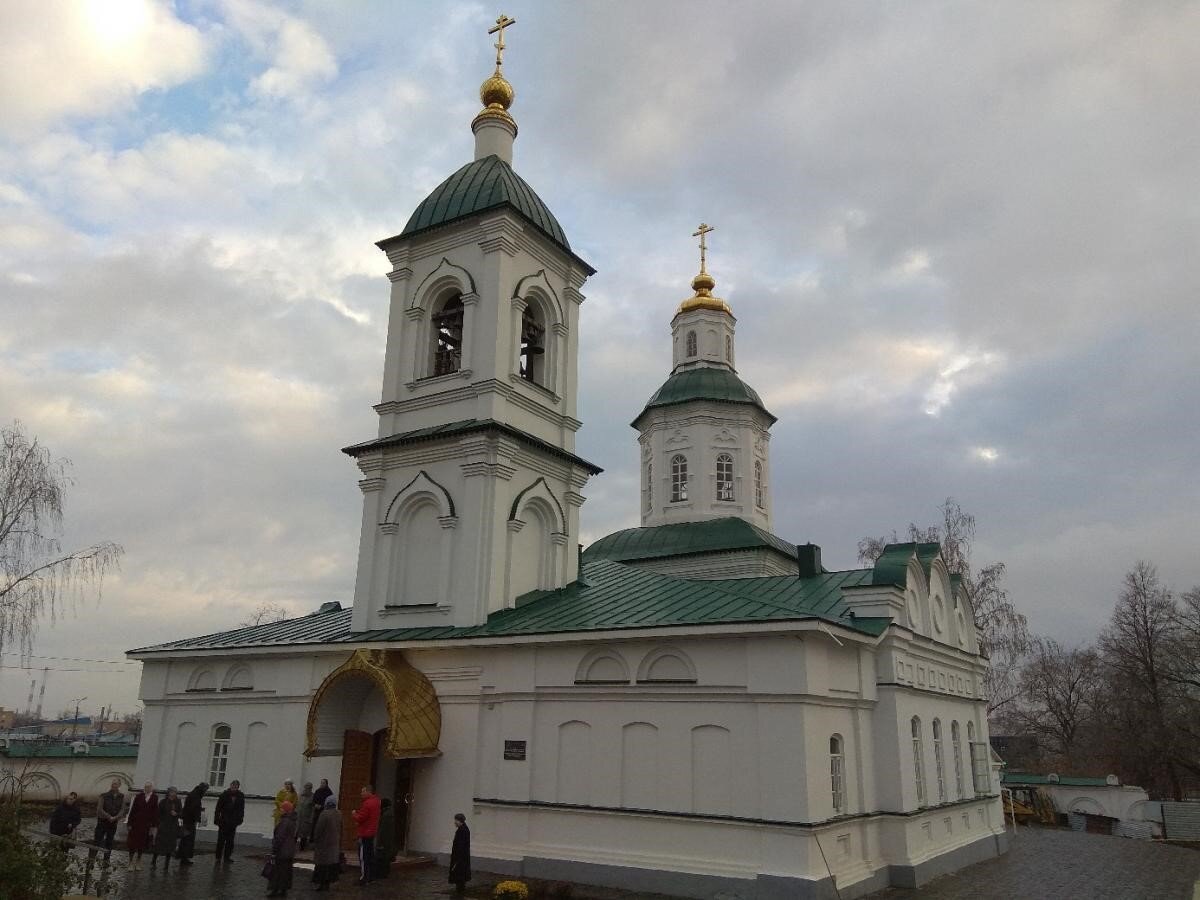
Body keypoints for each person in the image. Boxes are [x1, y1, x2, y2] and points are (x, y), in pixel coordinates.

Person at [266, 800, 298, 897]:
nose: (280, 810)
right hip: (289, 851)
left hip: (282, 851)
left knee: (278, 871)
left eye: (282, 808)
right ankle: (283, 890)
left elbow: (279, 838)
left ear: (286, 810)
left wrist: (274, 850)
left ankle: (275, 890)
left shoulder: (284, 822)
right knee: (286, 871)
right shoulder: (292, 821)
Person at [352, 784, 381, 886]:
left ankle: (364, 878)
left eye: (363, 791)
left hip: (365, 833)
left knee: (363, 856)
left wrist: (354, 814)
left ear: (368, 792)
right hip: (371, 831)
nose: (361, 794)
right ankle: (371, 877)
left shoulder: (367, 803)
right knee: (370, 855)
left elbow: (361, 817)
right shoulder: (377, 802)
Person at [311, 796, 342, 892]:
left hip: (324, 844)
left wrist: (315, 839)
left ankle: (321, 883)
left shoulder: (324, 814)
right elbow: (341, 828)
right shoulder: (339, 814)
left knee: (322, 865)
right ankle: (328, 883)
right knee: (331, 865)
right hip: (334, 843)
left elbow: (319, 829)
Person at [126, 782, 159, 870]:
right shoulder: (139, 796)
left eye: (149, 787)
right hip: (136, 823)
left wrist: (154, 826)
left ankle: (138, 861)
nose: (147, 788)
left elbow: (155, 812)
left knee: (142, 844)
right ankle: (130, 862)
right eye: (146, 787)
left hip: (146, 825)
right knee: (132, 844)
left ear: (152, 788)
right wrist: (129, 823)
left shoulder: (154, 798)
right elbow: (133, 810)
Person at [92, 778, 126, 861]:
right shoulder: (104, 795)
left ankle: (106, 862)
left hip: (113, 823)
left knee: (109, 842)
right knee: (97, 841)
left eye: (116, 784)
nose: (114, 785)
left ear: (119, 785)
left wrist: (116, 817)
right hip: (102, 822)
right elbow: (99, 809)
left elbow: (122, 809)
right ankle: (91, 860)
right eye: (113, 783)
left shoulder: (121, 796)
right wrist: (108, 816)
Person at [213, 779, 245, 862]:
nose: (234, 787)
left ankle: (227, 857)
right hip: (223, 821)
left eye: (236, 786)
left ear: (238, 787)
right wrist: (216, 819)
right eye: (233, 785)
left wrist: (240, 819)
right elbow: (218, 808)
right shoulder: (224, 795)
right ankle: (218, 857)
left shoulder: (240, 796)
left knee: (230, 841)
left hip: (233, 822)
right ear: (230, 786)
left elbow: (241, 809)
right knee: (221, 840)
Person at [151, 786, 182, 871]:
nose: (173, 794)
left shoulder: (178, 802)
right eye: (172, 792)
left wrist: (176, 814)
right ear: (168, 793)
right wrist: (160, 823)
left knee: (170, 846)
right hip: (164, 826)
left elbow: (181, 813)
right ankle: (154, 860)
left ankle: (166, 865)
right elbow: (158, 814)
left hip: (173, 827)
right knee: (159, 844)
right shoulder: (163, 802)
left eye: (175, 792)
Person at [176, 781, 208, 864]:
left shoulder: (194, 794)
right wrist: (196, 818)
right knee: (188, 840)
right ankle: (184, 858)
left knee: (186, 839)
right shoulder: (196, 796)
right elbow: (193, 809)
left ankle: (183, 857)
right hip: (189, 821)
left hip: (188, 820)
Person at [448, 812, 471, 895]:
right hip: (461, 858)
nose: (455, 822)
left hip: (460, 858)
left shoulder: (462, 830)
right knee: (460, 876)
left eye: (456, 820)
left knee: (460, 875)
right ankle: (460, 891)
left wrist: (457, 859)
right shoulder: (463, 829)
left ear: (460, 821)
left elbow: (461, 846)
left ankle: (460, 892)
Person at [374, 798, 396, 878]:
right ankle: (384, 873)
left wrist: (379, 842)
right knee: (385, 857)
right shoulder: (389, 814)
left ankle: (382, 873)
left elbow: (382, 830)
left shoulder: (386, 815)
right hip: (388, 841)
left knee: (382, 858)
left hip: (385, 841)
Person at [310, 778, 332, 842]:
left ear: (326, 784)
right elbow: (313, 800)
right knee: (315, 826)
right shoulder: (317, 791)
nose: (322, 784)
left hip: (324, 812)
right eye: (321, 783)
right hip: (316, 812)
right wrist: (315, 805)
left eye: (323, 783)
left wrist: (322, 806)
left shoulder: (329, 792)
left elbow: (329, 802)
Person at [296, 782, 315, 851]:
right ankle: (292, 847)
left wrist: (311, 819)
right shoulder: (301, 796)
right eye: (305, 787)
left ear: (310, 788)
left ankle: (302, 848)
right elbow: (297, 806)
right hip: (298, 818)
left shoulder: (312, 797)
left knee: (304, 834)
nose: (306, 789)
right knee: (296, 832)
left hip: (306, 818)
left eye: (308, 787)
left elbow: (313, 809)